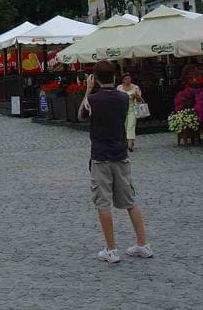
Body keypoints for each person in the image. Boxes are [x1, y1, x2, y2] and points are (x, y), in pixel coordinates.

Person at [78, 61, 152, 264]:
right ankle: (143, 244)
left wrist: (88, 90)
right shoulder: (123, 97)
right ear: (115, 76)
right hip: (121, 154)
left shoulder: (93, 99)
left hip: (101, 157)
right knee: (130, 201)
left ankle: (111, 249)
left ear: (95, 78)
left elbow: (81, 116)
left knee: (103, 203)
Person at [117, 73, 143, 152]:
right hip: (122, 109)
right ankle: (126, 141)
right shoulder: (119, 88)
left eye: (129, 78)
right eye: (126, 79)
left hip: (132, 108)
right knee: (124, 126)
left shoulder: (135, 87)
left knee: (131, 125)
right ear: (123, 80)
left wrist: (135, 96)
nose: (128, 80)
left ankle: (130, 144)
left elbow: (140, 99)